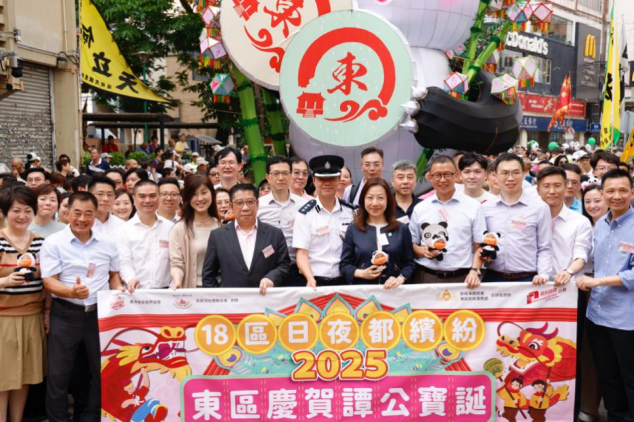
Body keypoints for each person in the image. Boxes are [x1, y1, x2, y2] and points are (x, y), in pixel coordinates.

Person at [41, 192, 124, 422]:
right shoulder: (54, 242)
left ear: (96, 215)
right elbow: (49, 281)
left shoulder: (107, 243)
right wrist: (72, 292)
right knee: (59, 373)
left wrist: (119, 291)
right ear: (67, 213)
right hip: (65, 314)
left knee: (100, 370)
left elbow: (113, 274)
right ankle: (58, 418)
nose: (82, 219)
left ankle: (91, 416)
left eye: (88, 213)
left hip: (99, 315)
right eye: (77, 212)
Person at [577, 169, 634, 422]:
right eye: (610, 191)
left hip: (626, 319)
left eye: (623, 190)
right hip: (597, 315)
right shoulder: (600, 224)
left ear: (632, 192)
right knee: (608, 375)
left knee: (630, 377)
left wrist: (598, 281)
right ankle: (616, 416)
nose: (616, 196)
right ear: (602, 193)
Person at [0, 187, 46, 422]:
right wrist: (5, 281)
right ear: (4, 212)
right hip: (3, 319)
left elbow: (48, 282)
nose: (22, 216)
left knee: (24, 377)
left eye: (28, 210)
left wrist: (47, 313)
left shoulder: (41, 243)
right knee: (2, 379)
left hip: (33, 317)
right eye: (16, 210)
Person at [410, 155, 486, 286]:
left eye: (447, 174)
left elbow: (479, 246)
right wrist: (423, 251)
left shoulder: (473, 207)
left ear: (457, 175)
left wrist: (475, 270)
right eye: (437, 175)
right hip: (426, 277)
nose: (443, 180)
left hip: (462, 278)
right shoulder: (420, 208)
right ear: (430, 177)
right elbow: (412, 245)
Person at [202, 184, 290, 293]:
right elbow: (208, 275)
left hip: (265, 298)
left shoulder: (274, 234)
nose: (245, 208)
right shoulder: (218, 236)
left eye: (250, 202)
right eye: (239, 203)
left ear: (257, 204)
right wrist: (220, 298)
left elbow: (284, 265)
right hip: (231, 300)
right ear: (231, 206)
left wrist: (271, 278)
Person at [481, 153, 552, 283]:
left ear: (523, 174)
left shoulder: (540, 207)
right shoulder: (485, 208)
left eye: (515, 173)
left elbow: (545, 247)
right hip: (492, 278)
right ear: (495, 175)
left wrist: (543, 275)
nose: (510, 178)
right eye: (504, 173)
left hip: (528, 280)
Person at [293, 155, 355, 287]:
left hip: (345, 281)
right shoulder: (305, 214)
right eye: (321, 179)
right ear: (314, 180)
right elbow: (301, 253)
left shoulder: (351, 212)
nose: (327, 183)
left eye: (332, 178)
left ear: (339, 179)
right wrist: (310, 278)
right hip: (315, 282)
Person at [340, 178, 415, 288]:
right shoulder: (353, 229)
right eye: (370, 198)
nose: (375, 203)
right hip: (363, 291)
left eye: (380, 198)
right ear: (363, 200)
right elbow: (344, 265)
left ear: (388, 200)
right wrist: (362, 273)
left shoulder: (401, 229)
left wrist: (400, 278)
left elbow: (409, 263)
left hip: (394, 291)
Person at [535, 166, 591, 285]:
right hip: (536, 285)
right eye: (546, 186)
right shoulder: (530, 220)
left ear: (565, 187)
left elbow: (581, 254)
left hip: (568, 286)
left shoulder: (580, 221)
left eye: (557, 185)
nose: (552, 191)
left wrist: (568, 272)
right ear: (538, 189)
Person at [257, 156, 307, 286]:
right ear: (267, 177)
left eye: (285, 173)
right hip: (267, 271)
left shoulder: (304, 205)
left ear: (290, 176)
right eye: (276, 174)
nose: (281, 178)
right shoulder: (258, 206)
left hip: (297, 269)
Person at [117, 181, 173, 292]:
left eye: (152, 196)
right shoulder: (124, 230)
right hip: (136, 292)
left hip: (167, 291)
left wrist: (174, 284)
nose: (147, 200)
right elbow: (124, 261)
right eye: (142, 196)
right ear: (134, 199)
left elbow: (175, 260)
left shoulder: (170, 227)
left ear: (159, 197)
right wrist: (130, 279)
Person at [170, 175, 220, 289]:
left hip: (218, 290)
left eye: (204, 192)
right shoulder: (179, 229)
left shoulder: (220, 226)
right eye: (194, 194)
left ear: (212, 194)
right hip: (192, 290)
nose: (200, 198)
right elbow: (177, 262)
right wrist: (177, 282)